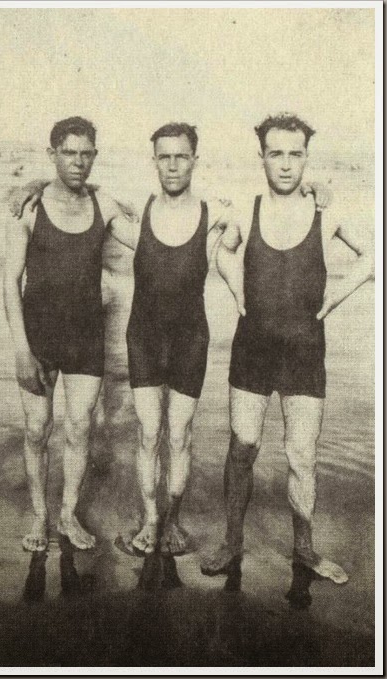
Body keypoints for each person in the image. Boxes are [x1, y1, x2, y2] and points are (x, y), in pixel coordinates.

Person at [10, 121, 330, 558]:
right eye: (165, 156)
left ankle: (162, 521)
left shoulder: (209, 213)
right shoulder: (111, 213)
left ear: (195, 161)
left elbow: (266, 211)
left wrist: (311, 188)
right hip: (128, 337)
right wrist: (38, 182)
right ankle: (116, 520)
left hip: (182, 341)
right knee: (114, 433)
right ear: (154, 160)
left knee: (168, 436)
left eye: (182, 156)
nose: (174, 164)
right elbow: (72, 192)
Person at [200, 113, 374, 584]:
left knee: (302, 456)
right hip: (251, 350)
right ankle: (232, 543)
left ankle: (305, 549)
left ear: (306, 158)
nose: (285, 163)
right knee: (243, 448)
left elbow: (375, 255)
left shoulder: (326, 212)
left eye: (295, 153)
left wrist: (334, 298)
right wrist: (236, 291)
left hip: (304, 352)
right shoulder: (245, 209)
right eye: (276, 153)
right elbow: (220, 249)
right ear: (261, 157)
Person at [4, 116, 135, 551]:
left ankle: (67, 516)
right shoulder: (31, 207)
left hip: (86, 337)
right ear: (52, 154)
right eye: (69, 152)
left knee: (79, 428)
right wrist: (22, 350)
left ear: (95, 156)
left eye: (86, 153)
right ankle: (39, 518)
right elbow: (9, 283)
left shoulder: (106, 205)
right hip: (38, 337)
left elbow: (153, 240)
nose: (78, 161)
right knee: (37, 429)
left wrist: (214, 219)